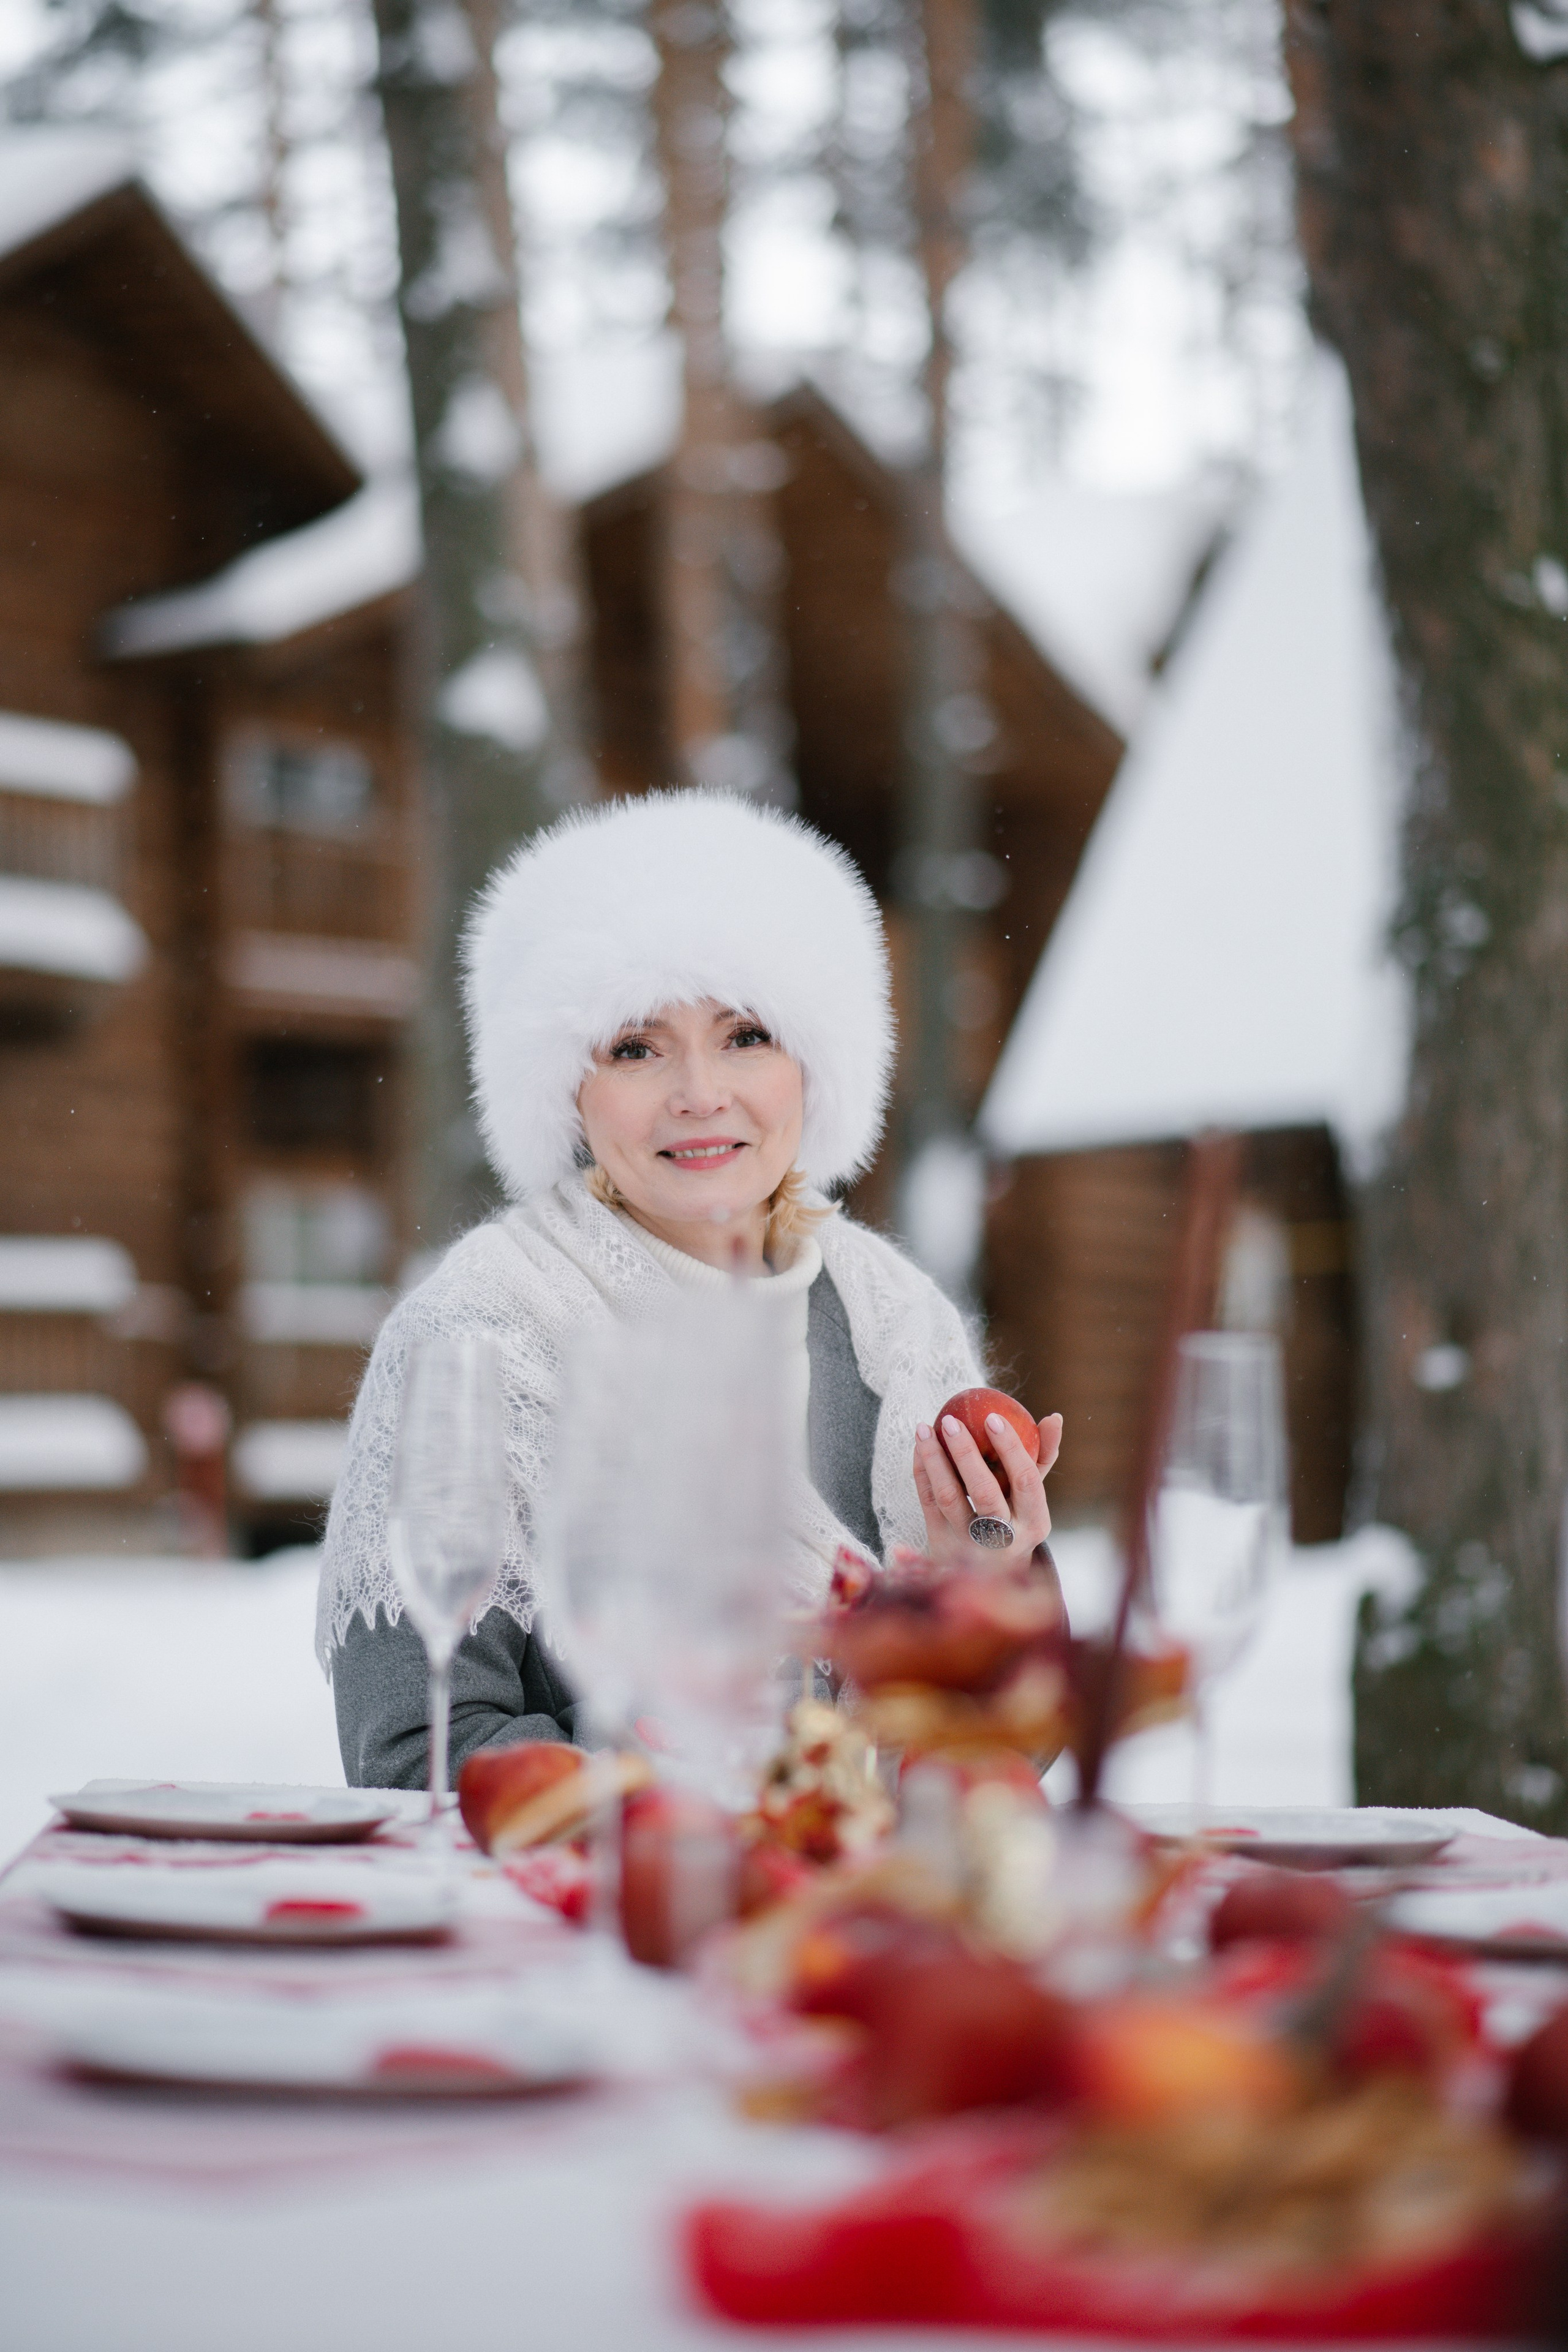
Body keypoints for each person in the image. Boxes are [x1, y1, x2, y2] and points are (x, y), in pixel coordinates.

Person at [318, 791, 1063, 1788]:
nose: (699, 1093)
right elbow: (416, 1758)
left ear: (815, 1063)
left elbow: (1022, 1745)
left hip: (857, 1930)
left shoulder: (901, 1328)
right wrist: (739, 1782)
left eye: (746, 1033)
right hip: (588, 1931)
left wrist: (985, 1593)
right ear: (567, 1091)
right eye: (636, 1046)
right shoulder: (479, 1335)